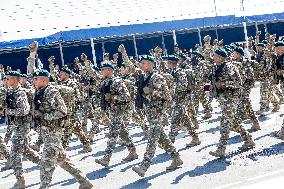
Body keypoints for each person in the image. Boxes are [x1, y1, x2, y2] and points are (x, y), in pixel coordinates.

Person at [32, 69, 93, 189]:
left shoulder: (51, 92)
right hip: (46, 131)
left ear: (43, 80)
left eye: (36, 79)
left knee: (46, 163)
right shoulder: (39, 91)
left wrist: (45, 116)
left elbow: (62, 110)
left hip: (53, 132)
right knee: (63, 160)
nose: (33, 81)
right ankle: (84, 181)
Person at [132, 55, 183, 177]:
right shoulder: (145, 77)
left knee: (152, 139)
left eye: (143, 63)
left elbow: (167, 95)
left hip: (157, 112)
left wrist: (150, 92)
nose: (141, 65)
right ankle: (176, 158)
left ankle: (144, 166)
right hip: (150, 112)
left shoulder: (157, 77)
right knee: (162, 138)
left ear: (150, 64)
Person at [209, 49, 255, 158]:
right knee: (234, 122)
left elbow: (238, 83)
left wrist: (224, 83)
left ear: (220, 57)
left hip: (231, 99)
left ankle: (221, 149)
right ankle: (248, 140)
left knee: (224, 124)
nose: (213, 57)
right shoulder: (216, 67)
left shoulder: (230, 67)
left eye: (215, 56)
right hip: (222, 99)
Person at [95, 62, 138, 167]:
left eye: (103, 69)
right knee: (123, 132)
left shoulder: (117, 82)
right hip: (112, 111)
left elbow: (127, 97)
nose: (101, 71)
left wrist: (113, 98)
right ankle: (133, 152)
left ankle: (106, 158)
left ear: (109, 70)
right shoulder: (105, 82)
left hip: (118, 111)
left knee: (113, 134)